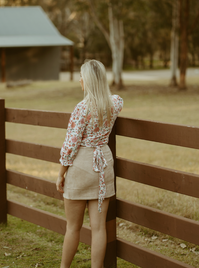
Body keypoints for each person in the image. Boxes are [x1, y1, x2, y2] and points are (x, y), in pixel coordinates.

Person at [56, 59, 123, 268]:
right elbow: (117, 98)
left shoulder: (81, 109)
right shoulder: (115, 103)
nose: (79, 80)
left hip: (82, 166)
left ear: (88, 80)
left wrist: (61, 174)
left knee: (73, 227)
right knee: (99, 228)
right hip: (103, 165)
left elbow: (70, 145)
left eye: (81, 76)